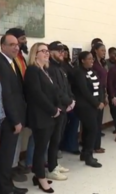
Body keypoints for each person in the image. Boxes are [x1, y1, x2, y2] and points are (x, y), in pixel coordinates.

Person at [24, 42, 64, 193]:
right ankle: (41, 178)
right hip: (40, 116)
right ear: (35, 54)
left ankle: (37, 175)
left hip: (49, 115)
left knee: (42, 148)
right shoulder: (33, 70)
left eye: (47, 51)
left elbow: (52, 92)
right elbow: (37, 95)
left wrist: (58, 106)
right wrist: (53, 110)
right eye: (43, 51)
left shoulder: (44, 71)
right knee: (40, 150)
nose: (47, 53)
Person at [0, 34, 27, 194]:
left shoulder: (10, 62)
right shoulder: (2, 64)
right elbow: (6, 95)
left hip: (11, 117)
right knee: (6, 156)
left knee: (7, 156)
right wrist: (15, 120)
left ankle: (7, 185)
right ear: (2, 46)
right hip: (8, 119)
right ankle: (5, 188)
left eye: (17, 44)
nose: (16, 47)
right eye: (11, 44)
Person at [71, 51, 104, 167]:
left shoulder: (92, 72)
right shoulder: (79, 73)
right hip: (84, 106)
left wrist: (101, 100)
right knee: (93, 129)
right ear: (82, 60)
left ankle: (85, 153)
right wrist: (96, 103)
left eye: (92, 59)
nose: (92, 61)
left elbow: (99, 87)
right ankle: (89, 156)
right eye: (89, 59)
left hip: (93, 105)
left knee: (89, 129)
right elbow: (84, 91)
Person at [5, 27, 29, 182]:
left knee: (18, 139)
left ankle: (14, 164)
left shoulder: (21, 57)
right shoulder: (7, 60)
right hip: (10, 110)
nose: (22, 42)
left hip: (21, 104)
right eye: (21, 39)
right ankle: (10, 169)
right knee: (9, 142)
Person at [47, 41, 73, 179]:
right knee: (53, 139)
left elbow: (66, 87)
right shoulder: (50, 68)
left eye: (63, 51)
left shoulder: (60, 67)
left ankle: (54, 164)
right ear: (51, 52)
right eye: (59, 51)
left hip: (64, 108)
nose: (62, 54)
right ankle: (51, 168)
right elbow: (55, 90)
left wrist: (71, 99)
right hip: (56, 109)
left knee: (57, 139)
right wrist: (68, 101)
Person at [60, 45, 80, 155]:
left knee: (73, 122)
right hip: (65, 99)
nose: (65, 53)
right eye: (63, 51)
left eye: (66, 51)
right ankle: (67, 145)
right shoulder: (61, 65)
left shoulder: (69, 64)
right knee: (68, 122)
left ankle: (70, 144)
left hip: (72, 97)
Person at [92, 43, 107, 153]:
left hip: (102, 91)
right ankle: (94, 146)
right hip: (95, 93)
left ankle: (97, 145)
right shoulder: (93, 64)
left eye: (104, 50)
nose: (104, 52)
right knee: (94, 122)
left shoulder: (101, 63)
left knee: (99, 122)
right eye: (102, 50)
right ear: (96, 50)